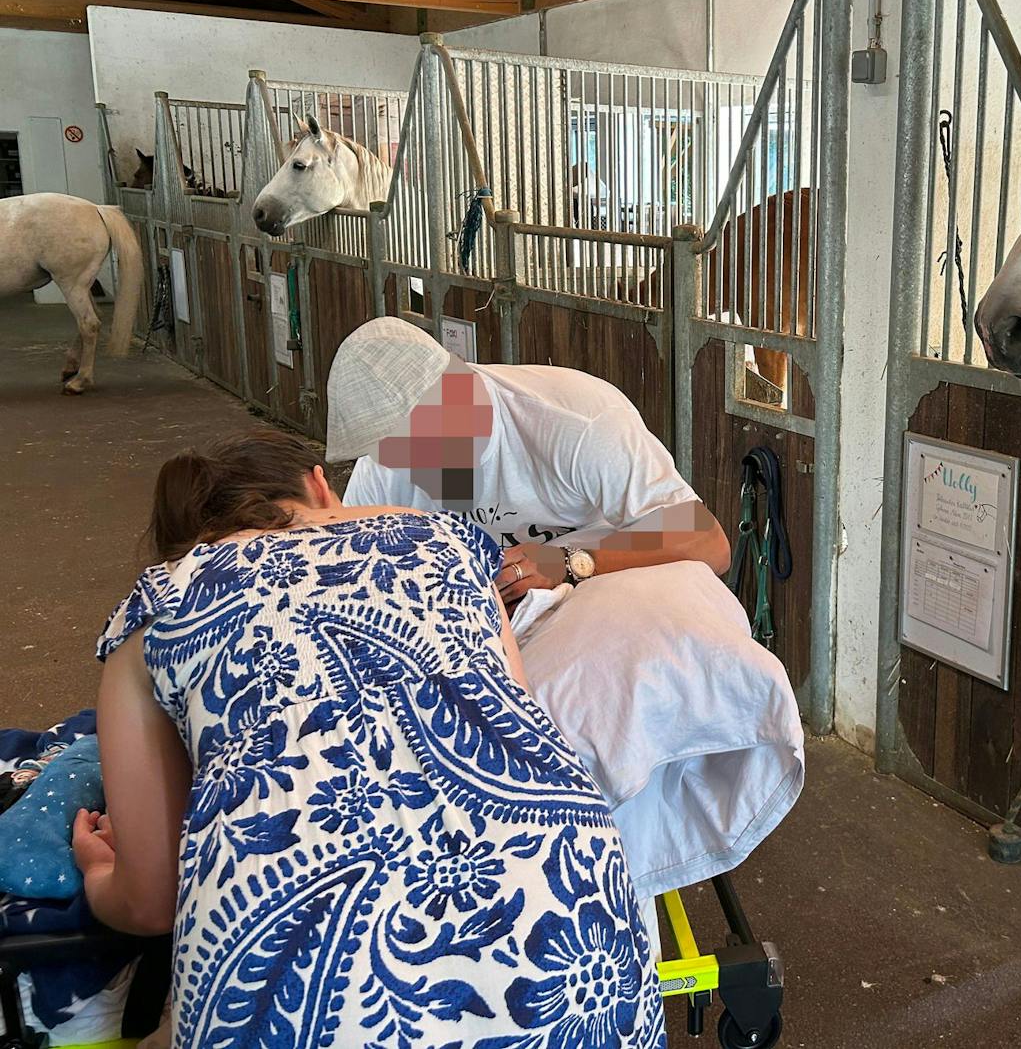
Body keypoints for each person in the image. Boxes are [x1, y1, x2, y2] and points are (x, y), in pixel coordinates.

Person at [74, 429, 667, 1049]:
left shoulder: (157, 607)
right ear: (318, 484)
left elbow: (147, 904)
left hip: (297, 994)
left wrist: (99, 870)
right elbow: (510, 714)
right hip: (576, 924)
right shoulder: (449, 544)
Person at [326, 316, 729, 605]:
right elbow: (351, 570)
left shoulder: (579, 420)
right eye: (396, 453)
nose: (412, 468)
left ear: (460, 391)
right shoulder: (383, 462)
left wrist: (571, 563)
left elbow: (710, 543)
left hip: (601, 589)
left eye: (423, 444)